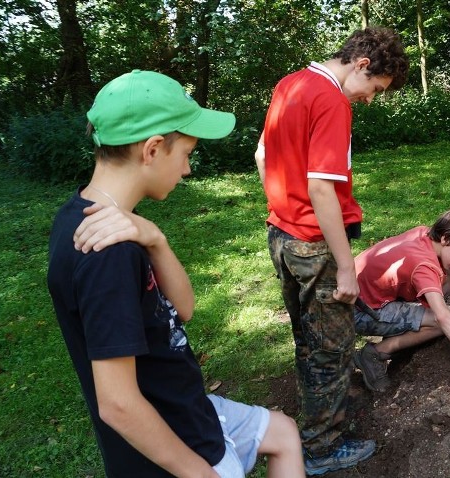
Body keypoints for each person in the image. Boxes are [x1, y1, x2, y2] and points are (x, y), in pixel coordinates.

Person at [47, 70, 304, 478]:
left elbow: (182, 309)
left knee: (284, 433)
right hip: (178, 446)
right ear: (151, 149)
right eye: (186, 154)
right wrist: (201, 473)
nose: (187, 170)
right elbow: (116, 403)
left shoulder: (99, 218)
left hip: (189, 410)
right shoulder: (104, 251)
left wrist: (157, 240)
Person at [256, 28, 409, 476]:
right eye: (375, 89)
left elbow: (263, 155)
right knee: (334, 348)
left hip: (280, 235)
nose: (369, 100)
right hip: (313, 244)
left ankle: (318, 415)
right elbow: (322, 187)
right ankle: (320, 447)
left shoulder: (290, 84)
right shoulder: (330, 99)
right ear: (362, 65)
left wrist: (282, 208)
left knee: (307, 337)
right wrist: (346, 266)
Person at [352, 206, 450, 392]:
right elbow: (443, 318)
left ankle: (411, 315)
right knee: (439, 323)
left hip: (360, 290)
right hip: (359, 311)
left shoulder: (427, 235)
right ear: (446, 238)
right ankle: (374, 353)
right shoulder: (424, 266)